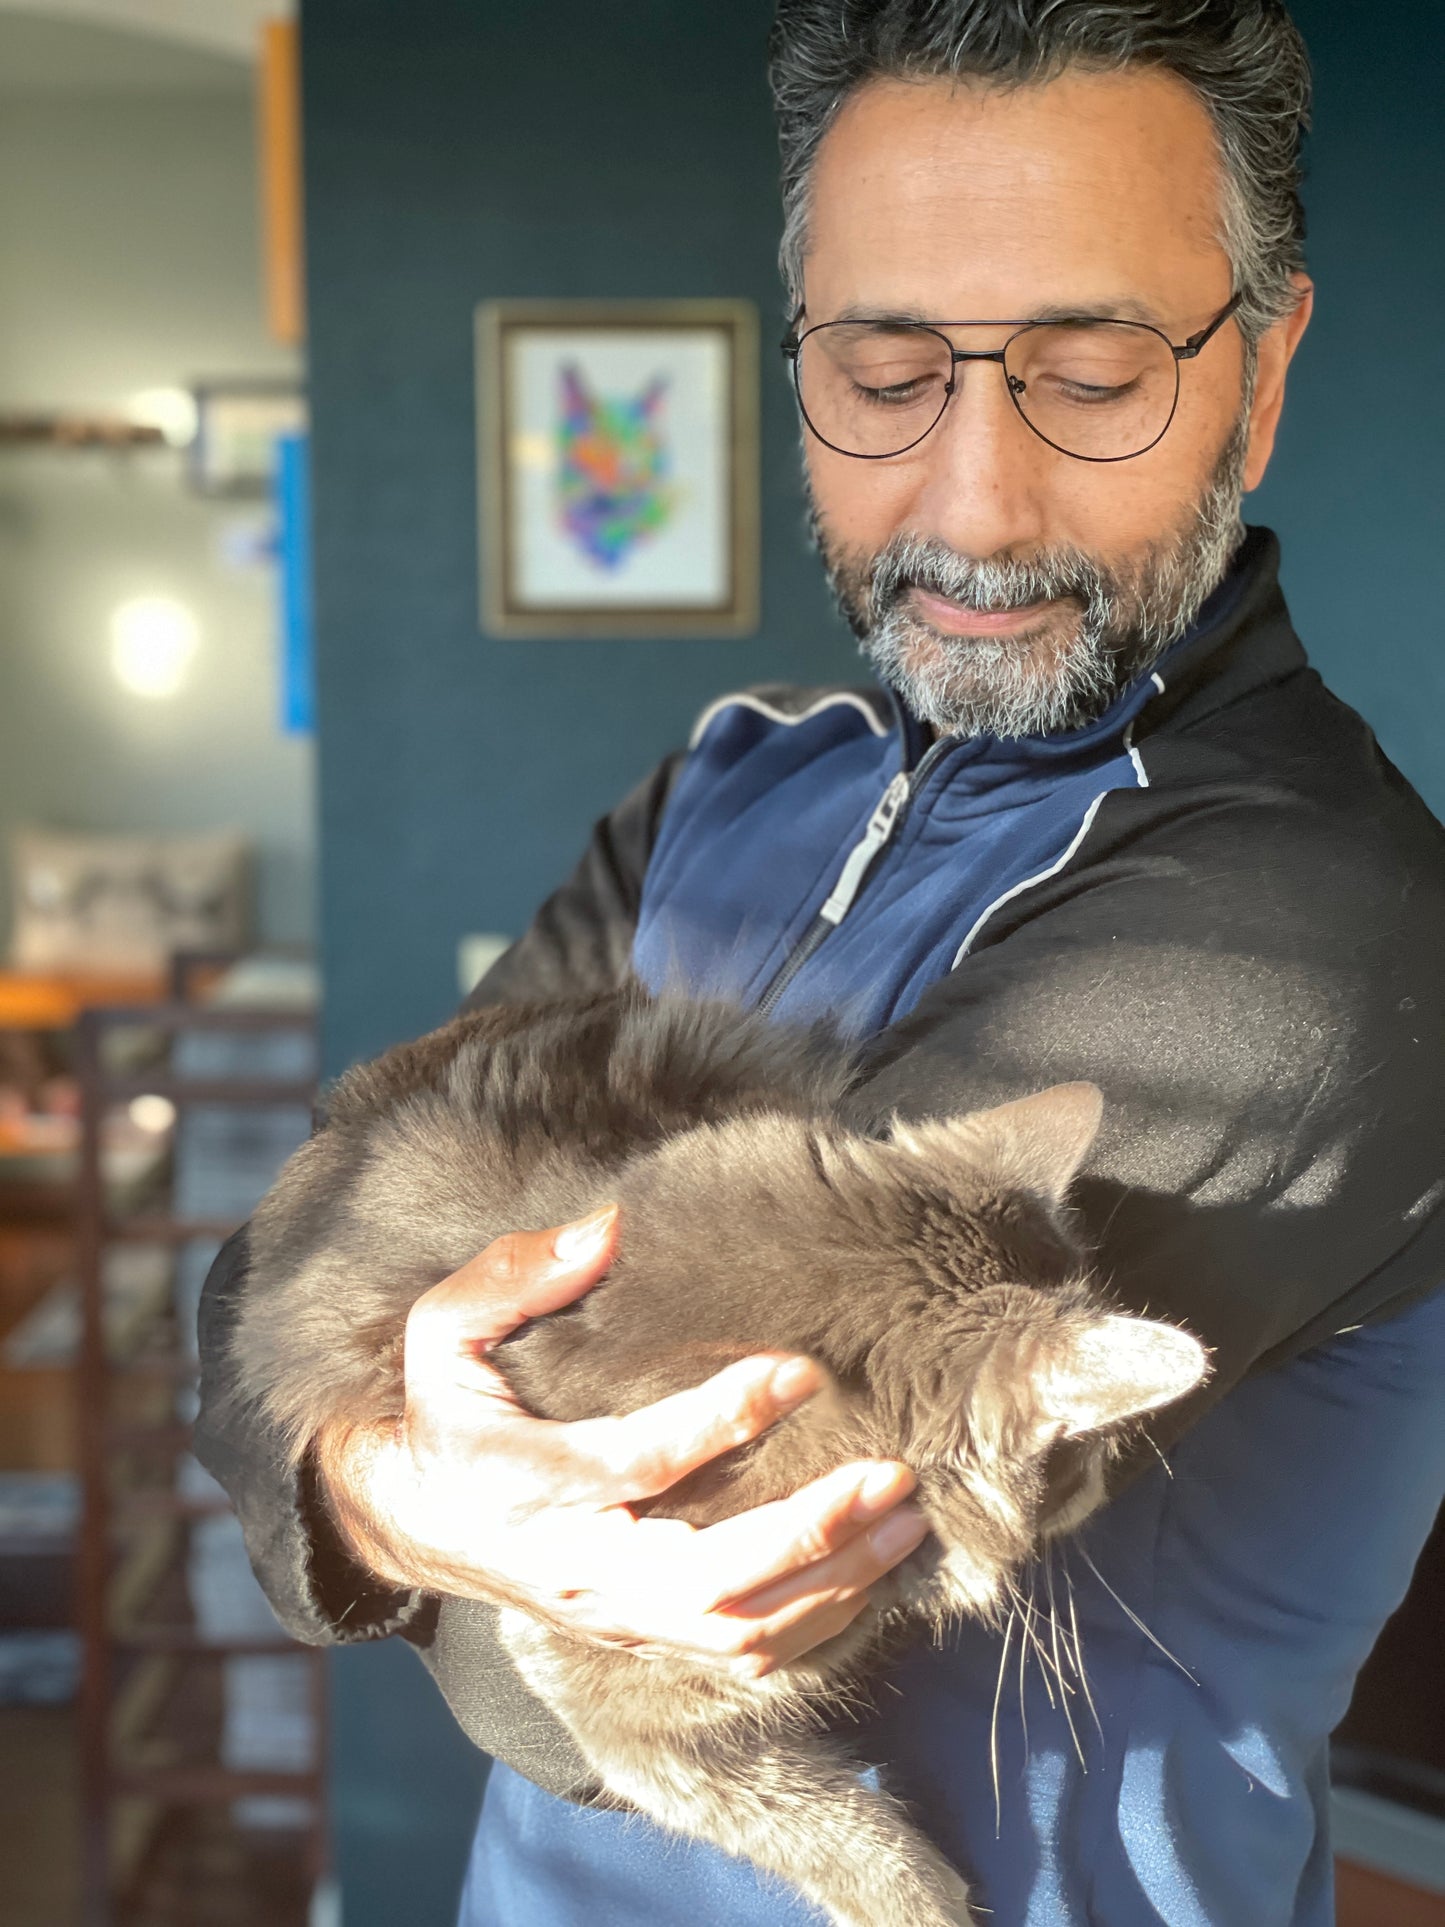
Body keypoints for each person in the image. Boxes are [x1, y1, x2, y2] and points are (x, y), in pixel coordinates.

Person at [196, 3, 1445, 1922]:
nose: (970, 504)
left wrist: (375, 1454)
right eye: (881, 369)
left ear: (1255, 375)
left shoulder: (1312, 941)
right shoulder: (734, 775)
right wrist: (395, 1486)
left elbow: (643, 1619)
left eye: (1091, 369)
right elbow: (273, 1273)